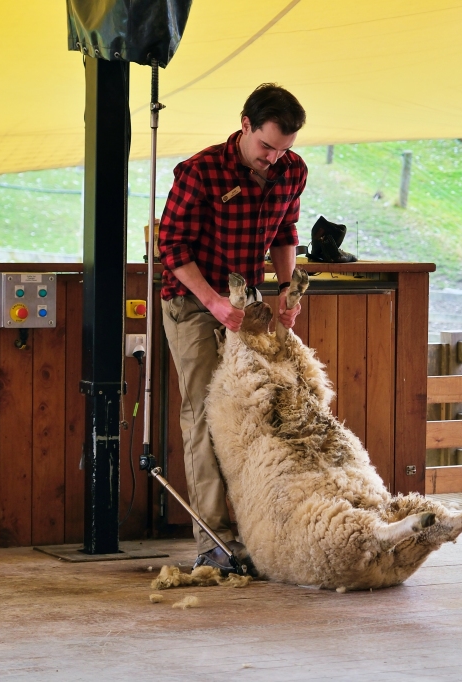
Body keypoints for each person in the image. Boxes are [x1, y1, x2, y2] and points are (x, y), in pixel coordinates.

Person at [158, 83, 307, 573]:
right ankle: (215, 544)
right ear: (245, 125)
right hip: (193, 299)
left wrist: (286, 288)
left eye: (283, 148)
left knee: (255, 410)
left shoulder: (292, 171)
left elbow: (285, 232)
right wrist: (213, 303)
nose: (273, 157)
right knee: (203, 414)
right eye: (266, 146)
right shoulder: (199, 171)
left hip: (247, 302)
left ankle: (257, 533)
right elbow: (172, 248)